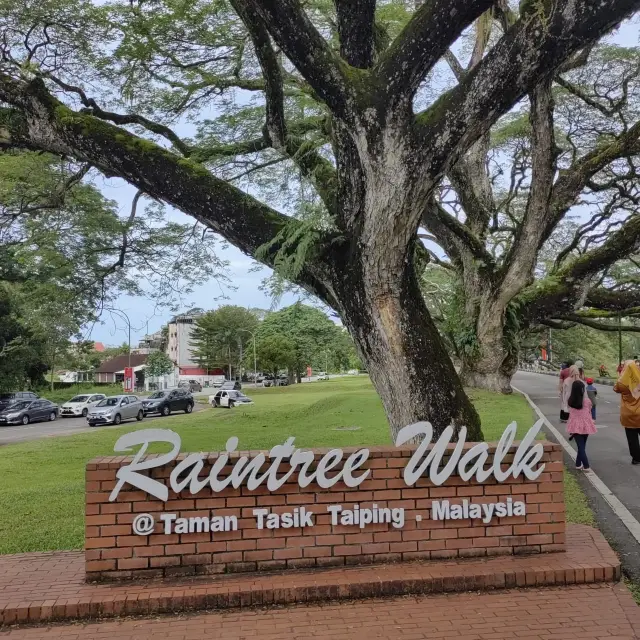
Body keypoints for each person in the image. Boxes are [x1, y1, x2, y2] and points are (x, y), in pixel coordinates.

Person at [613, 360, 640, 465]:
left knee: (632, 438)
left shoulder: (622, 383)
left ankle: (636, 459)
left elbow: (615, 388)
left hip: (628, 414)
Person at [567, 378, 597, 470]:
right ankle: (586, 466)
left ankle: (578, 464)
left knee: (581, 446)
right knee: (582, 446)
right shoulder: (587, 401)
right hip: (586, 426)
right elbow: (590, 410)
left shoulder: (570, 401)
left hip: (575, 426)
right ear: (582, 390)